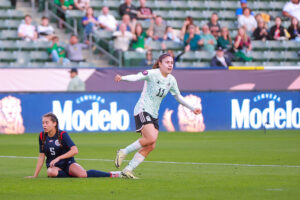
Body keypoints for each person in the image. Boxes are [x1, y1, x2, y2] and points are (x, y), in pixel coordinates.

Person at [113, 53, 202, 179]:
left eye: (171, 62)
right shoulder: (153, 73)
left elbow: (178, 96)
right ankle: (123, 151)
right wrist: (122, 77)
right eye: (167, 62)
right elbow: (137, 77)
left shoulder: (171, 80)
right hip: (142, 109)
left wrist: (192, 108)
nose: (170, 65)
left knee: (151, 145)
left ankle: (127, 170)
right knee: (150, 137)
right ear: (159, 63)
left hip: (154, 114)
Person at [25, 113, 122, 178]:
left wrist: (59, 158)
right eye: (43, 123)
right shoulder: (42, 136)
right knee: (50, 172)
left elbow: (75, 150)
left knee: (83, 175)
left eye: (47, 122)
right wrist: (35, 175)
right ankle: (70, 174)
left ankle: (112, 174)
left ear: (54, 123)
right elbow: (41, 156)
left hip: (67, 163)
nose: (44, 125)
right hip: (53, 166)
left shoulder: (62, 135)